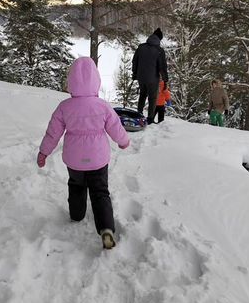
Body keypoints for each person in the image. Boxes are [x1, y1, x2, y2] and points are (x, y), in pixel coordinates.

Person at [37, 57, 129, 249]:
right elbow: (115, 127)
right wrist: (124, 141)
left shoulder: (64, 107)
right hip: (97, 159)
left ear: (71, 81)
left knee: (76, 186)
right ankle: (106, 229)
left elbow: (52, 133)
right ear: (96, 81)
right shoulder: (103, 106)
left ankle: (77, 214)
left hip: (74, 160)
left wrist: (44, 152)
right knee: (100, 192)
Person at [132, 28, 168, 124]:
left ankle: (139, 114)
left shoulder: (141, 47)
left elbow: (135, 61)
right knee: (152, 98)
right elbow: (162, 67)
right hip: (153, 79)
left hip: (141, 77)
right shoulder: (159, 50)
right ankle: (150, 118)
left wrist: (134, 74)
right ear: (159, 39)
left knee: (142, 95)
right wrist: (165, 79)